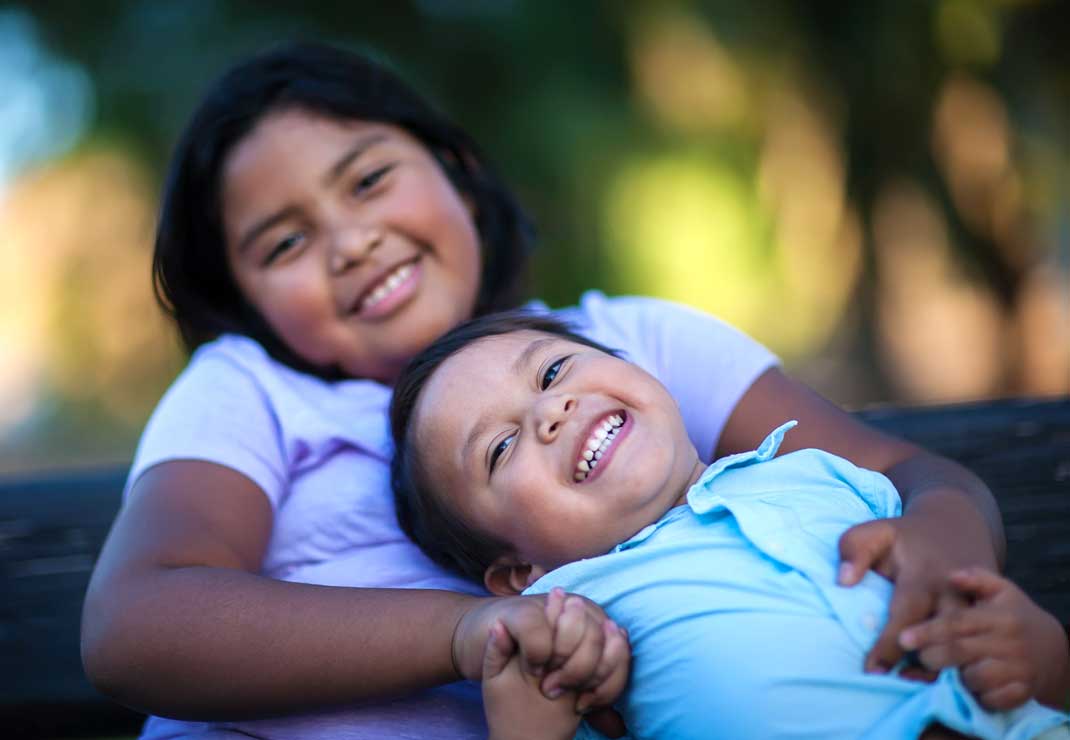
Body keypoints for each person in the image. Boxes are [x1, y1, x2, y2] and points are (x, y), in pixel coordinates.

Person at [80, 41, 1009, 738]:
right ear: (245, 306)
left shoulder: (625, 344)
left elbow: (903, 474)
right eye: (282, 243)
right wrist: (472, 632)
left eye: (368, 179)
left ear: (459, 169)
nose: (350, 241)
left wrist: (951, 543)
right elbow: (135, 624)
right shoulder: (249, 390)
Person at [389, 313, 1070, 740]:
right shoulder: (581, 625)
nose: (551, 412)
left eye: (553, 370)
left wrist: (1033, 649)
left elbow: (1037, 685)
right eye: (500, 449)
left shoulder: (826, 480)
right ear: (520, 575)